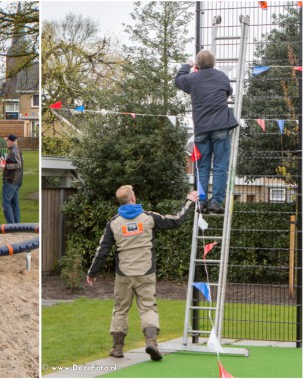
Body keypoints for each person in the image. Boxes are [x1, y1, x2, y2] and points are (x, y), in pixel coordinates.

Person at [87, 185, 198, 362]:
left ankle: (117, 348)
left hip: (124, 274)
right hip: (146, 272)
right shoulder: (149, 217)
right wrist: (190, 201)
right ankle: (151, 342)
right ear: (133, 198)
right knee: (148, 307)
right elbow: (175, 220)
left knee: (120, 309)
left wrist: (92, 272)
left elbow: (103, 249)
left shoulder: (114, 223)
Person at [175, 49, 239, 214]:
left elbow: (178, 80)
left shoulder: (192, 79)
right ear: (214, 62)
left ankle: (201, 202)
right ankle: (216, 202)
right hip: (220, 127)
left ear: (197, 64)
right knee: (220, 167)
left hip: (202, 128)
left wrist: (187, 66)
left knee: (202, 167)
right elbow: (228, 93)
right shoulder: (222, 77)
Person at [0, 134, 23, 223]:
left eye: (7, 140)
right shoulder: (17, 150)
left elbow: (18, 164)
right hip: (17, 181)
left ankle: (11, 226)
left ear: (11, 141)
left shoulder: (14, 150)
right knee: (14, 204)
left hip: (11, 180)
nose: (6, 142)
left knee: (6, 204)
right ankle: (17, 226)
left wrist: (5, 166)